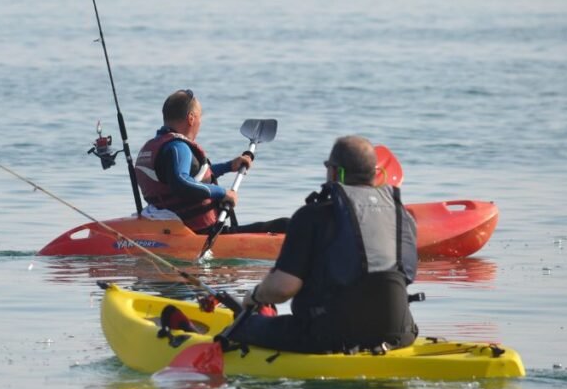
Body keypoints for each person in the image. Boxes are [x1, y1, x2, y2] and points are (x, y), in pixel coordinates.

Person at [230, 135, 418, 353]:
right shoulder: (403, 216)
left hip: (329, 337)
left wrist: (253, 297)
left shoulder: (312, 217)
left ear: (336, 172)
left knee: (239, 327)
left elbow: (282, 289)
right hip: (400, 334)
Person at [134, 89, 289, 235]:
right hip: (201, 233)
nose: (200, 123)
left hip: (172, 229)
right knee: (286, 225)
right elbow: (181, 183)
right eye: (200, 117)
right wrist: (223, 193)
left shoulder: (153, 147)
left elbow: (191, 177)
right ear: (191, 118)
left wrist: (229, 166)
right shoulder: (178, 147)